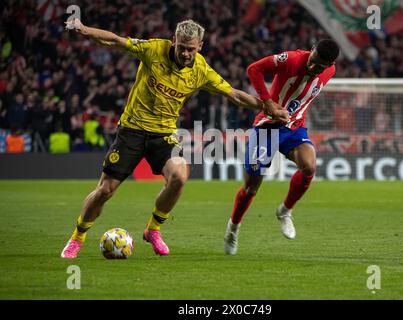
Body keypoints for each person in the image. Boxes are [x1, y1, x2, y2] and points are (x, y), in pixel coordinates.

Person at [61, 18, 288, 258]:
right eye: (181, 47)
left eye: (191, 48)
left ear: (200, 45)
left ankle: (153, 230)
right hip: (132, 130)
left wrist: (268, 107)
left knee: (179, 176)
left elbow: (235, 95)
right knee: (106, 189)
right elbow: (115, 41)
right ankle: (77, 237)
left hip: (164, 134)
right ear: (174, 41)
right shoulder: (153, 50)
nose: (186, 53)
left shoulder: (201, 70)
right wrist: (84, 30)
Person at [224, 39, 339, 254]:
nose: (314, 68)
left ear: (330, 65)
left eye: (321, 67)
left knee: (309, 167)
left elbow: (302, 97)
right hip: (267, 126)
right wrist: (267, 101)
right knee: (251, 189)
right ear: (311, 50)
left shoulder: (330, 72)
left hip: (294, 128)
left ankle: (285, 211)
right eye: (313, 61)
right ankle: (233, 228)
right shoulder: (292, 59)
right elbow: (253, 69)